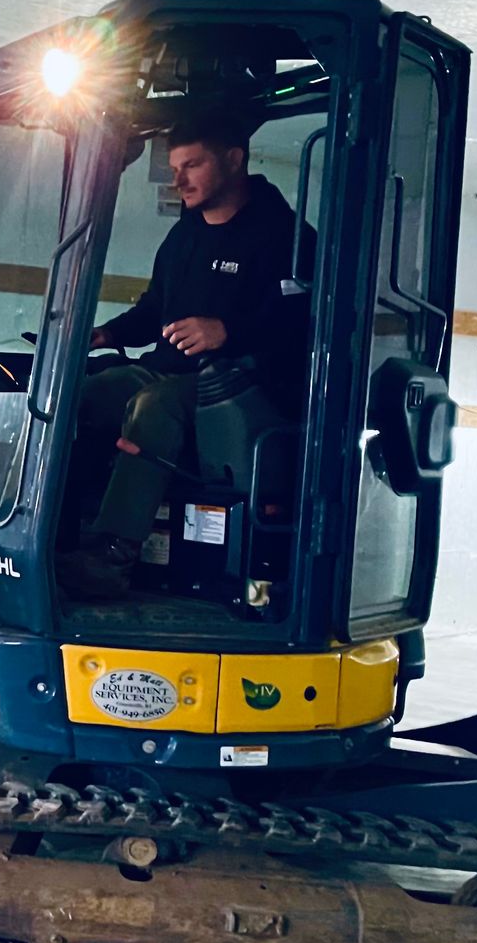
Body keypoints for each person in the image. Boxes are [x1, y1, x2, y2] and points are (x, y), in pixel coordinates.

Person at [57, 109, 304, 600]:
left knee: (155, 406)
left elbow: (300, 329)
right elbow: (154, 311)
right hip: (166, 371)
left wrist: (227, 333)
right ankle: (59, 537)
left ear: (234, 160)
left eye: (191, 165)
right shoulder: (184, 236)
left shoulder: (288, 239)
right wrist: (106, 333)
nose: (178, 179)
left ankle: (111, 558)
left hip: (240, 387)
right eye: (174, 167)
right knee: (80, 396)